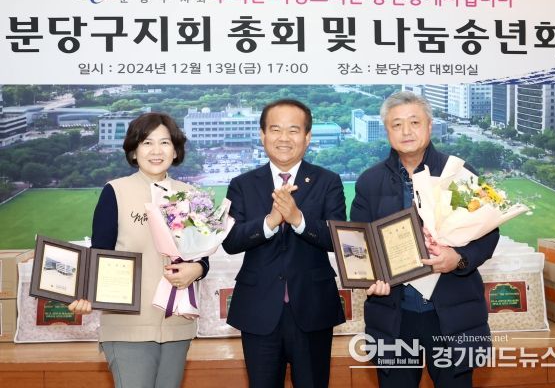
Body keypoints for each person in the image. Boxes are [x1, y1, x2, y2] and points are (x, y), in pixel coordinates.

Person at [350, 91, 499, 387]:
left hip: (451, 315)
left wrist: (458, 258)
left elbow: (489, 233)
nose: (406, 131)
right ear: (387, 131)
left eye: (415, 122)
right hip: (394, 316)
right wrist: (370, 278)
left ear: (430, 126)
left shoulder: (459, 172)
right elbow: (359, 245)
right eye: (397, 124)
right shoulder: (369, 181)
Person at [68, 112, 209, 388]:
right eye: (147, 143)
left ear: (175, 150)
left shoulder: (190, 195)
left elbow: (201, 255)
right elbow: (99, 254)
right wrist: (84, 294)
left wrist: (197, 268)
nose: (156, 151)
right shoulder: (116, 191)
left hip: (177, 325)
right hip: (128, 325)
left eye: (165, 142)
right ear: (133, 151)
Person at [222, 99, 346, 388]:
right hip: (258, 310)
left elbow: (337, 238)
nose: (284, 138)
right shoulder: (242, 184)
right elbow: (230, 241)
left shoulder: (328, 181)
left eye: (293, 130)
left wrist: (297, 219)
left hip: (313, 308)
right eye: (275, 129)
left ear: (307, 137)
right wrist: (271, 221)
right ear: (263, 135)